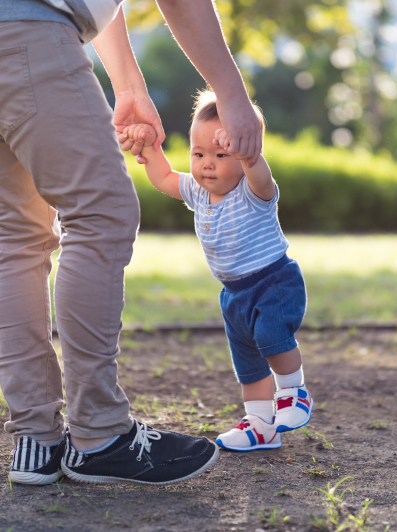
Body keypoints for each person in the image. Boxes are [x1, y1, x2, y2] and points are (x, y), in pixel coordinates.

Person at [0, 0, 262, 485]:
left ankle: (35, 438)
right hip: (27, 35)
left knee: (13, 236)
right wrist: (231, 94)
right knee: (100, 214)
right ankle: (99, 436)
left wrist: (127, 86)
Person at [118, 90, 313, 451]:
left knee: (271, 335)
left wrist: (246, 153)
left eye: (222, 154)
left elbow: (259, 171)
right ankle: (260, 426)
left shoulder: (253, 191)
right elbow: (163, 179)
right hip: (234, 293)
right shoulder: (197, 192)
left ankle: (293, 392)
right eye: (199, 153)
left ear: (244, 153)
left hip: (273, 282)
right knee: (248, 361)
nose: (208, 163)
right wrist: (147, 147)